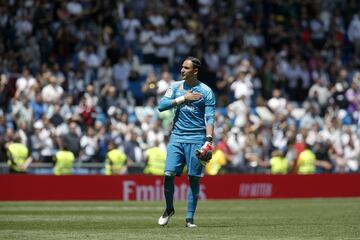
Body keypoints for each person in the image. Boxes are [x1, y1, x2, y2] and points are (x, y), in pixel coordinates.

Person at [157, 56, 216, 228]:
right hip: (177, 137)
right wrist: (184, 99)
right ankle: (169, 209)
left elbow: (210, 118)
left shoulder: (206, 91)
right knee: (168, 175)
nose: (182, 70)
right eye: (182, 67)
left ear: (195, 71)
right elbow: (161, 106)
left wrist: (209, 141)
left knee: (193, 179)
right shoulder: (175, 86)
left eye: (186, 68)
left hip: (197, 138)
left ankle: (189, 219)